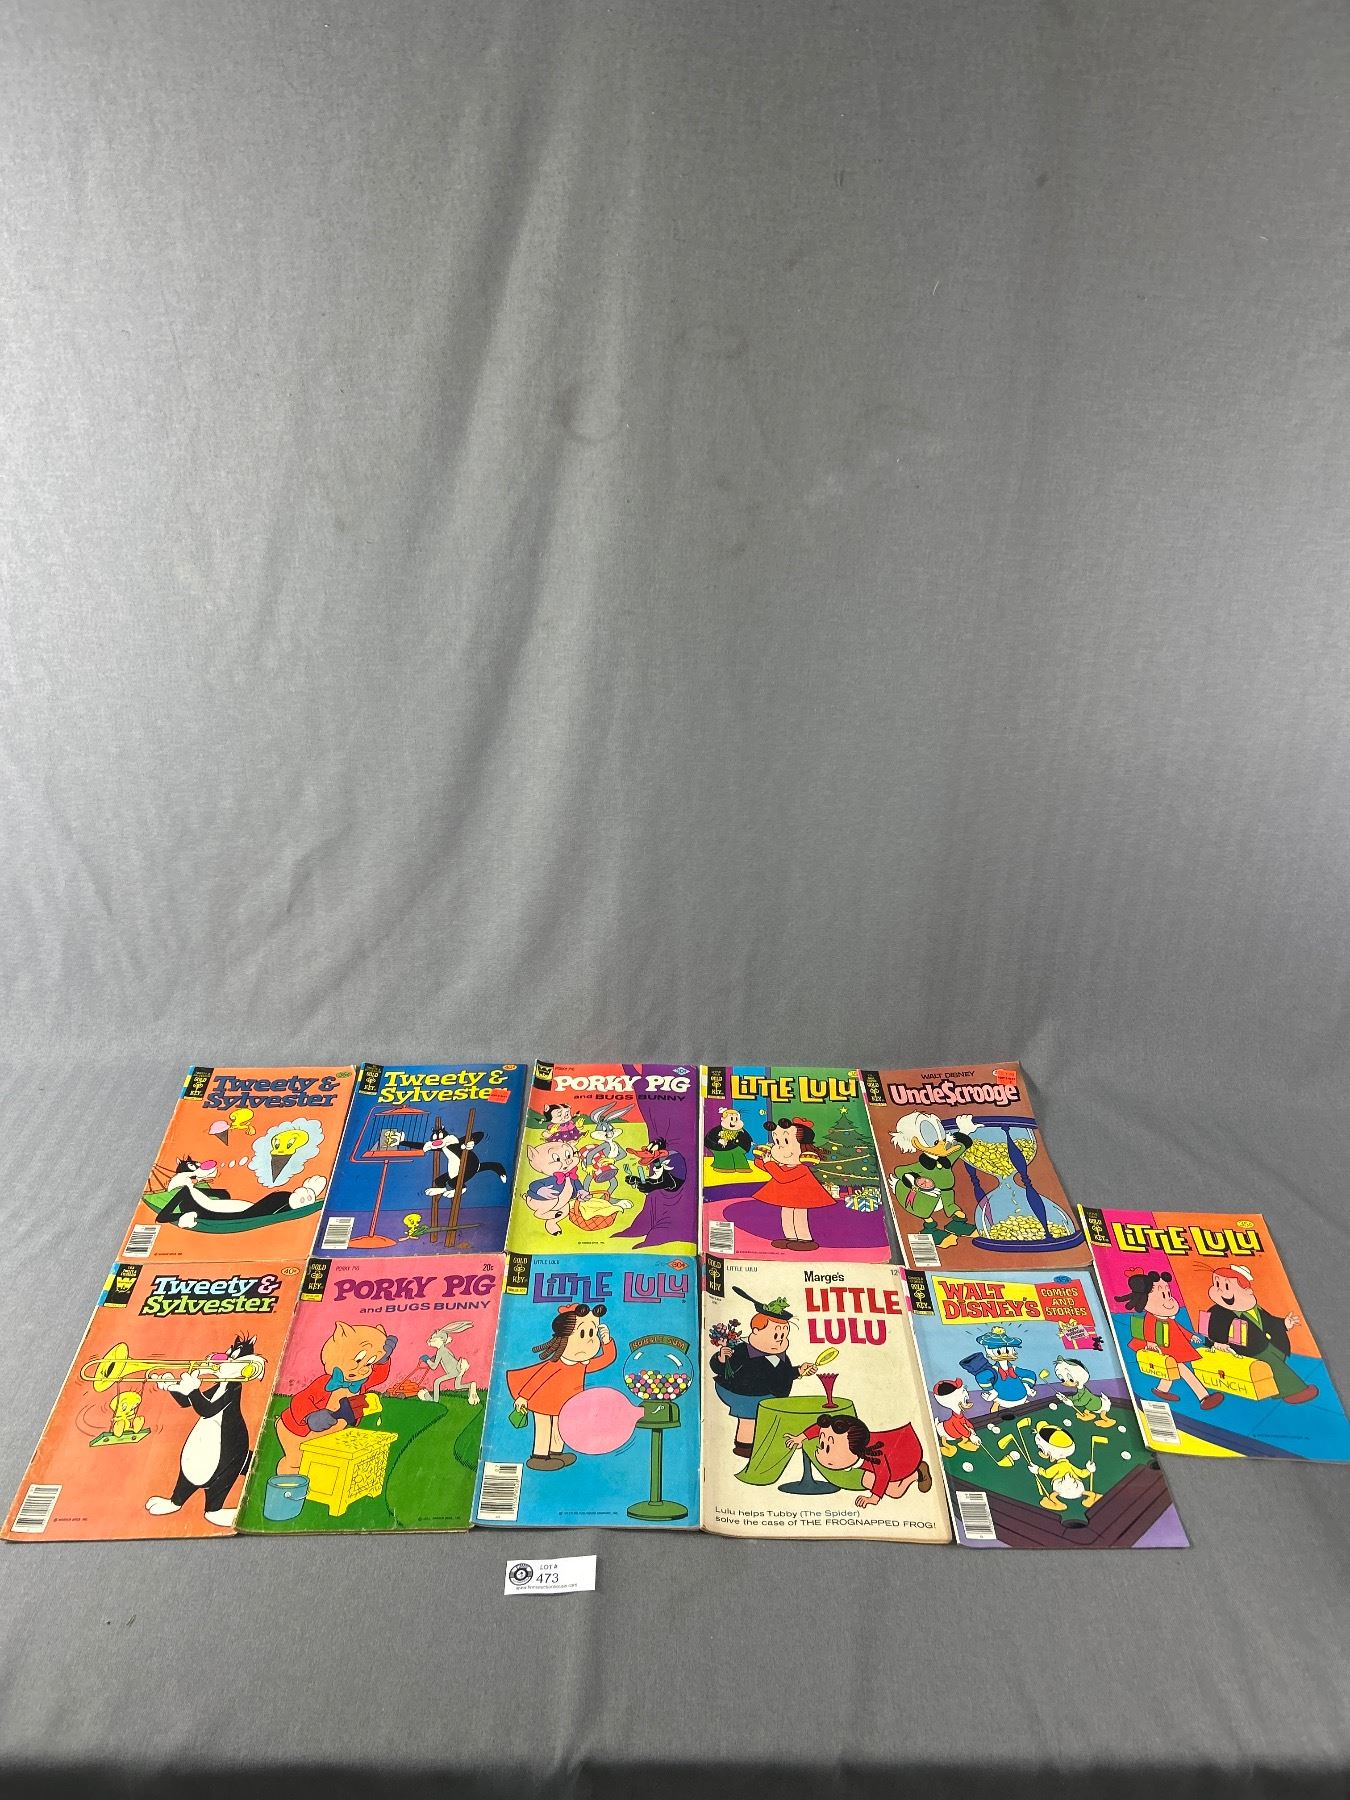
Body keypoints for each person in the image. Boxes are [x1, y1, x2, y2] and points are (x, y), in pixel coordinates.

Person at [506, 1302, 616, 1470]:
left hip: (564, 1403)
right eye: (582, 1334)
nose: (589, 1341)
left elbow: (607, 1359)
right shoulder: (555, 1364)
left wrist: (606, 1341)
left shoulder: (581, 1364)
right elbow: (537, 1379)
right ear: (562, 1339)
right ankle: (539, 1457)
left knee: (560, 1427)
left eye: (592, 1334)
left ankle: (556, 1453)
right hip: (542, 1401)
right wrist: (523, 1397)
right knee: (544, 1427)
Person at [710, 1287, 818, 1457]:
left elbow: (784, 1374)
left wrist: (799, 1370)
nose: (780, 1341)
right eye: (775, 1336)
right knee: (749, 1416)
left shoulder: (781, 1356)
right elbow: (723, 1370)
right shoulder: (743, 1350)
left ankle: (759, 1443)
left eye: (783, 1336)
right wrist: (721, 1359)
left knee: (764, 1416)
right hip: (739, 1392)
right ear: (756, 1331)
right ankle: (744, 1446)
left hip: (766, 1394)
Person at [1201, 1264, 1318, 1404]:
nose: (1219, 1290)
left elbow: (1270, 1322)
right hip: (1243, 1350)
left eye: (1226, 1286)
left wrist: (1285, 1323)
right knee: (1271, 1364)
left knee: (1276, 1357)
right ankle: (1294, 1391)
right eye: (1217, 1284)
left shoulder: (1254, 1308)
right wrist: (1218, 1343)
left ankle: (1275, 1386)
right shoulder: (1218, 1312)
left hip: (1265, 1344)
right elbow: (1213, 1330)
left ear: (1247, 1291)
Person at [1115, 1269, 1222, 1410]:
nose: (1169, 1299)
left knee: (1169, 1370)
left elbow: (1178, 1328)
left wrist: (1191, 1336)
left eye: (1168, 1294)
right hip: (1164, 1349)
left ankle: (1161, 1390)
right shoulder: (1151, 1317)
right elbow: (1148, 1328)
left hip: (1172, 1348)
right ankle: (1204, 1397)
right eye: (1163, 1295)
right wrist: (1151, 1342)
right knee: (1183, 1371)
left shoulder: (1166, 1318)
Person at [785, 1412, 932, 1507]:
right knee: (868, 1480)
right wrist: (801, 1437)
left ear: (854, 1448)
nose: (822, 1452)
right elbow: (822, 1429)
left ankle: (916, 1473)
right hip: (884, 1457)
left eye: (829, 1448)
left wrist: (873, 1498)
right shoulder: (852, 1441)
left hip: (903, 1457)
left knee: (896, 1492)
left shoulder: (875, 1456)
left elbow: (883, 1475)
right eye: (823, 1445)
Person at [888, 1111, 978, 1247]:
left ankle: (956, 1225)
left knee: (956, 1211)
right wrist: (918, 1183)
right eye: (934, 1141)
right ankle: (930, 1230)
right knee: (926, 1213)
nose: (942, 1144)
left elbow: (959, 1149)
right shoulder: (920, 1166)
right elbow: (900, 1171)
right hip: (920, 1199)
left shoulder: (945, 1159)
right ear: (916, 1142)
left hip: (945, 1195)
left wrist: (964, 1131)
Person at [750, 1117, 835, 1251]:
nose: (780, 1147)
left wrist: (769, 1163)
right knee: (787, 1213)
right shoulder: (783, 1164)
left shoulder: (802, 1168)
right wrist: (760, 1159)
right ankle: (790, 1238)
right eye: (777, 1142)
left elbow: (782, 1177)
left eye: (786, 1141)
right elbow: (770, 1169)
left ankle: (805, 1239)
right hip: (787, 1195)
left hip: (802, 1195)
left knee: (799, 1215)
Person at [1054, 1355, 1112, 1423]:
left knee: (1103, 1416)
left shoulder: (1085, 1393)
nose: (1066, 1383)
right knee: (1086, 1411)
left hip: (1101, 1407)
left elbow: (1082, 1402)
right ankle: (1090, 1416)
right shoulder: (1081, 1390)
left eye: (1071, 1379)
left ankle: (1109, 1421)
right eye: (1062, 1380)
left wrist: (1072, 1403)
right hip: (1092, 1407)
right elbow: (1077, 1396)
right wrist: (1065, 1398)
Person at [705, 1108, 753, 1172]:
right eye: (731, 1119)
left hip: (737, 1146)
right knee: (724, 1154)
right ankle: (723, 1167)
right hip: (721, 1147)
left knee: (738, 1153)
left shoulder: (741, 1130)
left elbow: (746, 1137)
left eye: (736, 1119)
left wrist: (749, 1141)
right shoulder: (718, 1130)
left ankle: (742, 1167)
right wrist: (719, 1140)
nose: (734, 1122)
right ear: (723, 1119)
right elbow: (710, 1137)